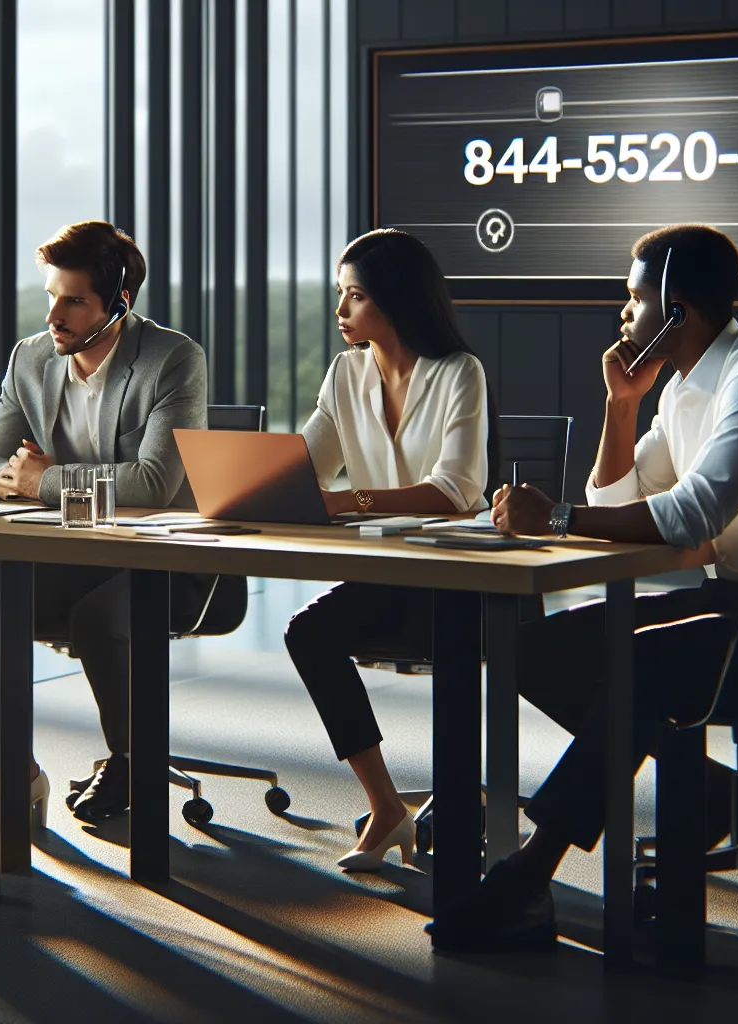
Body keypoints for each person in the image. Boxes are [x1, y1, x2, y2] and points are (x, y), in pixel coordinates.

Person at [427, 224, 738, 951]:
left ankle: (529, 875)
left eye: (633, 299)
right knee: (541, 649)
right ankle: (707, 787)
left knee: (643, 666)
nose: (622, 315)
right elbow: (622, 494)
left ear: (676, 309)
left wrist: (562, 516)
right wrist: (624, 404)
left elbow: (683, 517)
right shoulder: (687, 389)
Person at [0, 220, 209, 824]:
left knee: (97, 619)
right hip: (68, 549)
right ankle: (8, 767)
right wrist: (25, 479)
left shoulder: (171, 359)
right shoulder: (32, 358)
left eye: (74, 300)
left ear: (117, 304)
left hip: (157, 556)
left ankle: (129, 759)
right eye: (52, 296)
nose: (56, 315)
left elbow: (154, 484)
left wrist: (42, 482)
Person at [280, 228, 499, 872]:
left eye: (353, 297)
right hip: (389, 572)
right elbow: (310, 463)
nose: (341, 311)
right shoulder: (346, 373)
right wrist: (260, 481)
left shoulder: (459, 373)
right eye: (340, 296)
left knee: (452, 642)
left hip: (462, 576)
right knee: (309, 634)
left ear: (396, 299)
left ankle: (463, 818)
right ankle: (386, 805)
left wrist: (348, 501)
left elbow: (457, 490)